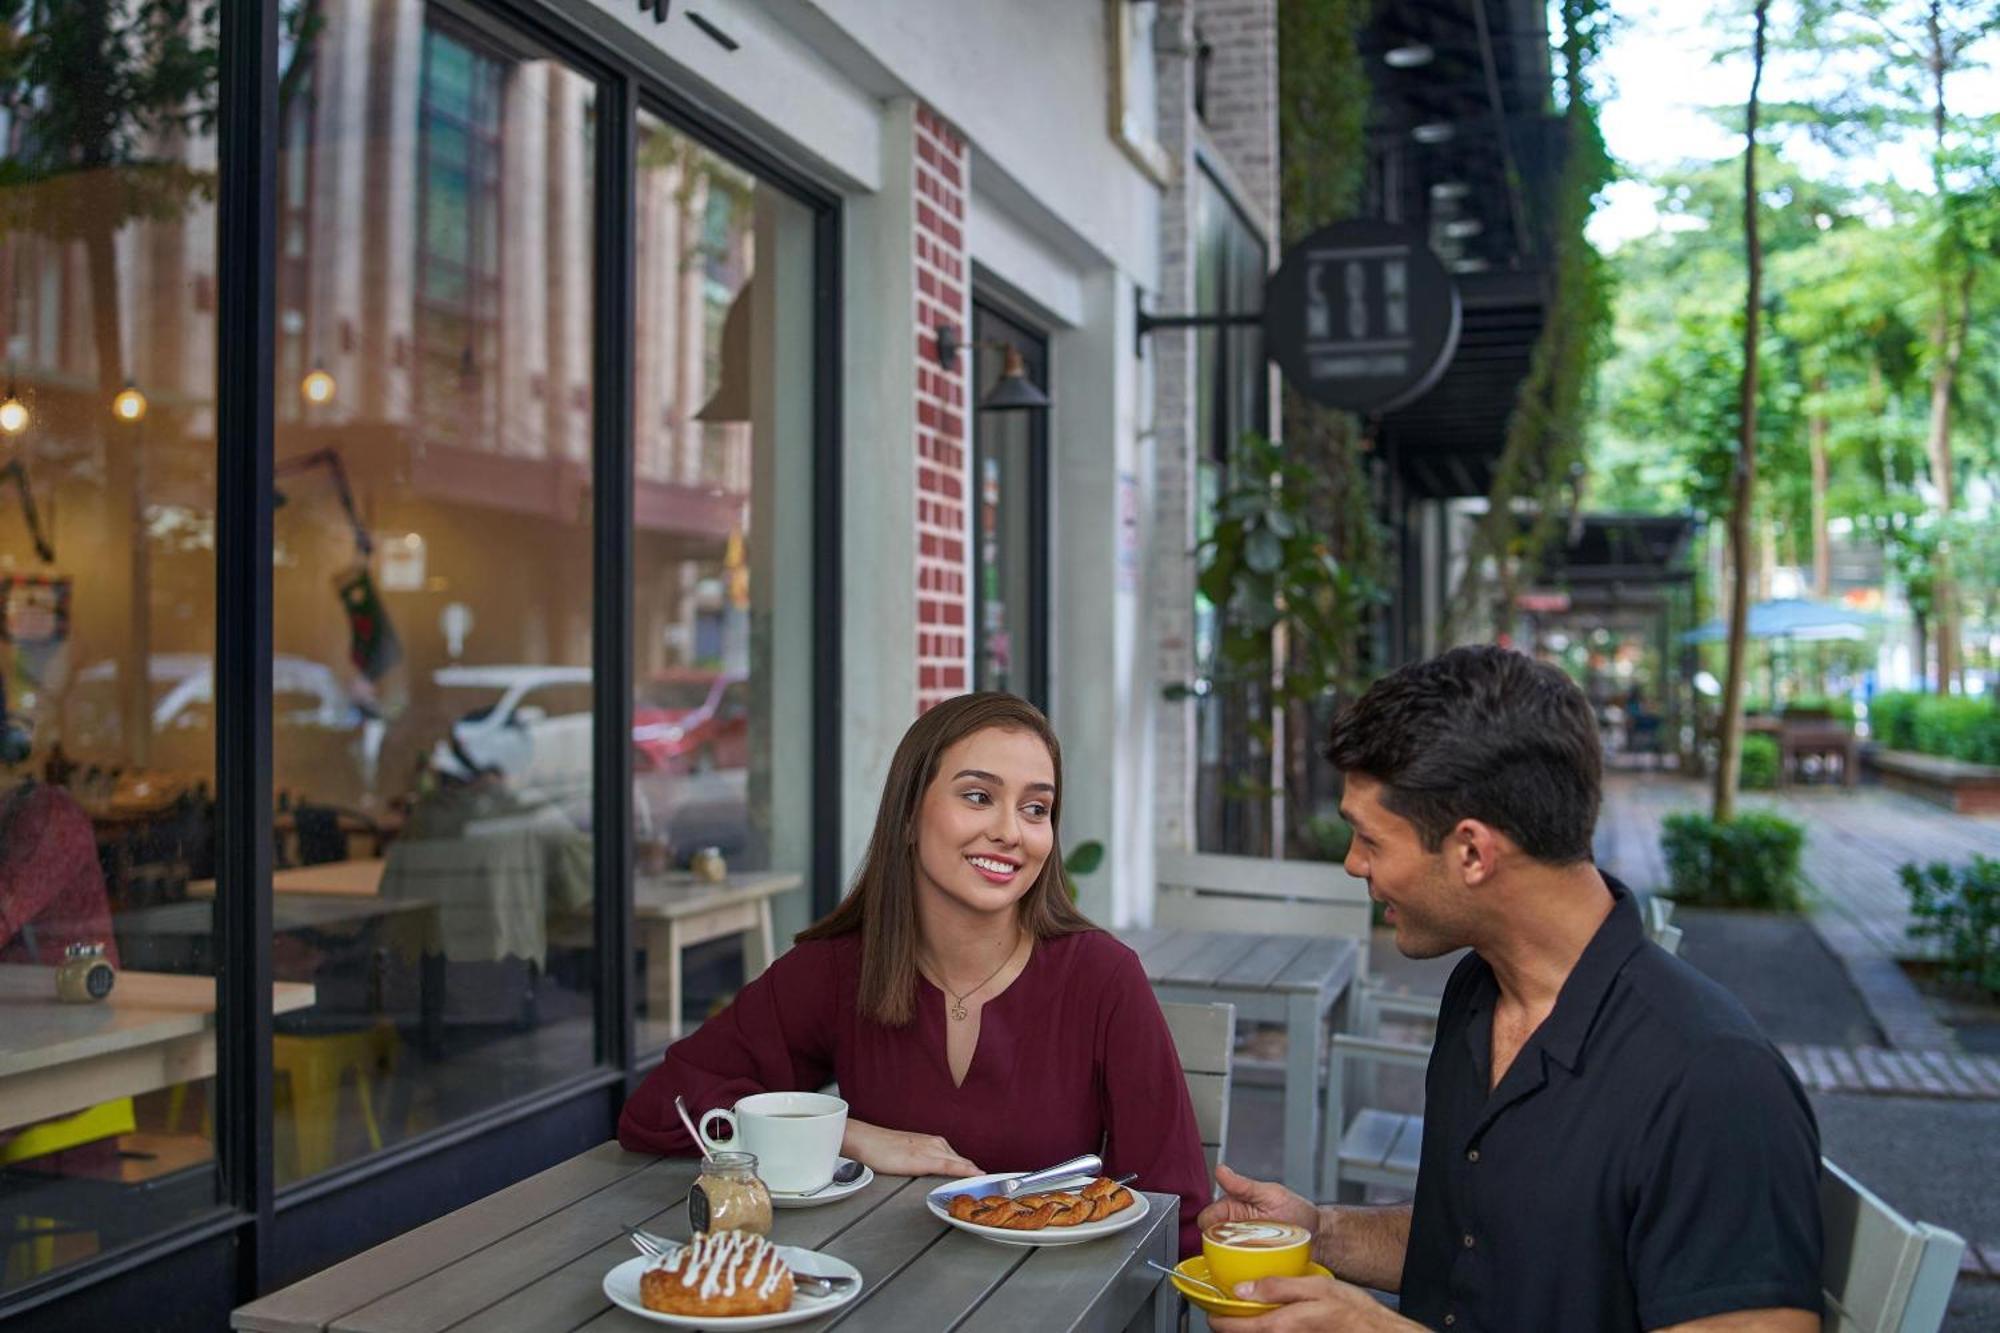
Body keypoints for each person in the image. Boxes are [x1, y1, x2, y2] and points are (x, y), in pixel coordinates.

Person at [1201, 646, 1821, 1333]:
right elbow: (1482, 1245)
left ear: (1471, 851)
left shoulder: (1713, 1081)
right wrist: (1316, 1232)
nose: (1352, 863)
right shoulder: (1480, 992)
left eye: (1369, 839)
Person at [618, 691, 1210, 1255]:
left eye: (1036, 808)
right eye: (978, 796)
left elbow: (1173, 1210)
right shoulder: (838, 970)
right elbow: (656, 1112)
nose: (1010, 831)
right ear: (907, 815)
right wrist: (846, 1135)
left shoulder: (1103, 979)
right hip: (870, 1295)